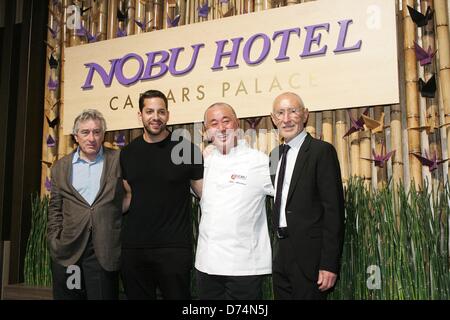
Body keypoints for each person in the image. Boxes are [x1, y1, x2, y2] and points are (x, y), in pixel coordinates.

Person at [120, 89, 203, 300]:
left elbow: (205, 196)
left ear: (168, 114)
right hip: (134, 249)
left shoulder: (187, 150)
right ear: (140, 115)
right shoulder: (127, 153)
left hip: (173, 249)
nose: (155, 117)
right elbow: (127, 197)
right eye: (149, 111)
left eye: (161, 111)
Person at [195, 102, 274, 300]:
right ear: (206, 130)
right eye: (214, 123)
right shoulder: (203, 162)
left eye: (226, 121)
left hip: (245, 267)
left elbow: (291, 197)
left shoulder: (260, 162)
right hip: (207, 265)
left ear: (237, 124)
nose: (221, 128)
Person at [270, 92, 345, 300]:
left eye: (293, 111)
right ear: (273, 119)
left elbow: (334, 211)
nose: (286, 119)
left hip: (311, 257)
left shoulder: (322, 152)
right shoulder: (274, 156)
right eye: (280, 113)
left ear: (305, 115)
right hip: (280, 253)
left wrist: (329, 264)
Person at [47, 109, 124, 300]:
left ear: (103, 135)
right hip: (68, 250)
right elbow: (55, 208)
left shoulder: (118, 160)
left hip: (103, 251)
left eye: (97, 132)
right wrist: (54, 241)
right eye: (85, 132)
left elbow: (131, 194)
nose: (92, 138)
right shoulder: (60, 167)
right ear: (76, 136)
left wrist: (112, 217)